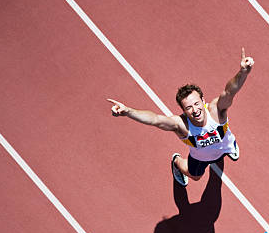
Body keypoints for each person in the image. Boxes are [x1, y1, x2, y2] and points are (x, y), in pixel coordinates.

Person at [107, 48, 254, 186]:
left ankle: (230, 147)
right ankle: (176, 161)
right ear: (183, 110)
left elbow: (229, 92)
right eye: (189, 108)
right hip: (200, 158)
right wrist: (127, 111)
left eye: (197, 104)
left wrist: (243, 72)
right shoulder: (181, 125)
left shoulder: (216, 110)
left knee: (227, 145)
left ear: (203, 101)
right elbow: (155, 120)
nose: (195, 110)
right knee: (196, 177)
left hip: (225, 146)